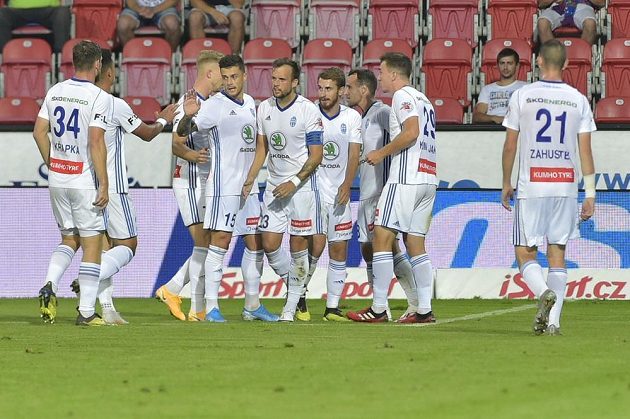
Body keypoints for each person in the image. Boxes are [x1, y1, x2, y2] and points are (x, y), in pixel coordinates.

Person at [70, 48, 176, 325]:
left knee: (101, 246)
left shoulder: (77, 100)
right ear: (107, 71)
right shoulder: (113, 104)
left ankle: (106, 308)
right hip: (112, 187)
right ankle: (88, 277)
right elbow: (149, 134)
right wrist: (165, 117)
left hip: (82, 185)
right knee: (127, 245)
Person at [501, 39, 596, 335]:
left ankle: (543, 293)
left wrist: (506, 181)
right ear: (566, 64)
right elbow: (586, 152)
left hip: (533, 185)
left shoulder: (523, 95)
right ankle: (554, 322)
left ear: (538, 61)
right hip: (565, 186)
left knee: (524, 252)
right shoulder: (578, 99)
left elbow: (510, 145)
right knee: (557, 253)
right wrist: (590, 193)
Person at [176, 54, 278, 322]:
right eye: (226, 77)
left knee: (254, 244)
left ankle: (253, 305)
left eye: (235, 77)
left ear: (244, 76)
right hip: (223, 186)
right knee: (219, 243)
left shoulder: (250, 104)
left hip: (249, 187)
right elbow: (185, 132)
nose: (230, 82)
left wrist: (252, 177)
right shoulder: (213, 105)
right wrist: (187, 117)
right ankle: (211, 307)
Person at [347, 53, 438, 324]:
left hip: (405, 178)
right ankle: (424, 309)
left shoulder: (401, 97)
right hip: (428, 178)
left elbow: (411, 132)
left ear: (395, 75)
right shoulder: (425, 100)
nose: (380, 77)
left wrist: (381, 153)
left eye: (382, 72)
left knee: (382, 239)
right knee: (415, 244)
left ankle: (378, 308)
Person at [34, 40, 109, 326]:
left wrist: (52, 163)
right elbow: (96, 141)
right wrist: (103, 183)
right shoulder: (97, 96)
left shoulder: (56, 90)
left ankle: (49, 284)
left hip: (58, 179)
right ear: (98, 64)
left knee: (69, 238)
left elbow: (39, 132)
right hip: (82, 180)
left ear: (73, 62)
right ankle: (87, 312)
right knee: (93, 243)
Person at [242, 58, 324, 322]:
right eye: (273, 78)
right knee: (268, 242)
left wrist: (295, 182)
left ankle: (289, 308)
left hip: (301, 189)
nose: (276, 84)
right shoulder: (264, 107)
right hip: (275, 188)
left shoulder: (308, 110)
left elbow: (316, 155)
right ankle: (297, 289)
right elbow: (262, 149)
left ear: (295, 82)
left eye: (281, 79)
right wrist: (251, 178)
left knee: (298, 245)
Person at [154, 49, 224, 321]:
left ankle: (174, 292)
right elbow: (175, 144)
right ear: (209, 73)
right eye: (220, 73)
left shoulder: (211, 102)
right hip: (189, 181)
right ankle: (192, 303)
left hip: (204, 182)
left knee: (207, 244)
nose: (224, 79)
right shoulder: (187, 104)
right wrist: (194, 156)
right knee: (204, 244)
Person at [296, 67, 361, 322]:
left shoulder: (352, 117)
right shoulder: (308, 113)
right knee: (315, 245)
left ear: (342, 90)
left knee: (338, 249)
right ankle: (299, 295)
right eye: (320, 88)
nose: (322, 93)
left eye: (328, 88)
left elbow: (354, 153)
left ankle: (331, 308)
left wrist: (347, 184)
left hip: (339, 193)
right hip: (312, 191)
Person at [473, 48, 528, 125]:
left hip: (517, 127)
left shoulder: (526, 88)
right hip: (492, 128)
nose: (505, 67)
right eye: (502, 63)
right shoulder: (487, 89)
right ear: (498, 65)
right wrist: (494, 118)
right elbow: (477, 116)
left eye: (509, 63)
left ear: (517, 65)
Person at [0, 0, 70, 53]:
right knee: (1, 15)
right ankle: (4, 58)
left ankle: (60, 58)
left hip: (49, 9)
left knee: (62, 13)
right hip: (16, 10)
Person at [117, 0, 182, 51]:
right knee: (123, 25)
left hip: (164, 8)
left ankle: (169, 57)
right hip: (136, 8)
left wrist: (153, 10)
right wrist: (141, 10)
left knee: (172, 24)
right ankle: (132, 55)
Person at [537, 0, 605, 46]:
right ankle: (552, 57)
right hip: (557, 6)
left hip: (583, 6)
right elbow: (540, 3)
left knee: (590, 24)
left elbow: (602, 2)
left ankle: (583, 55)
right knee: (542, 23)